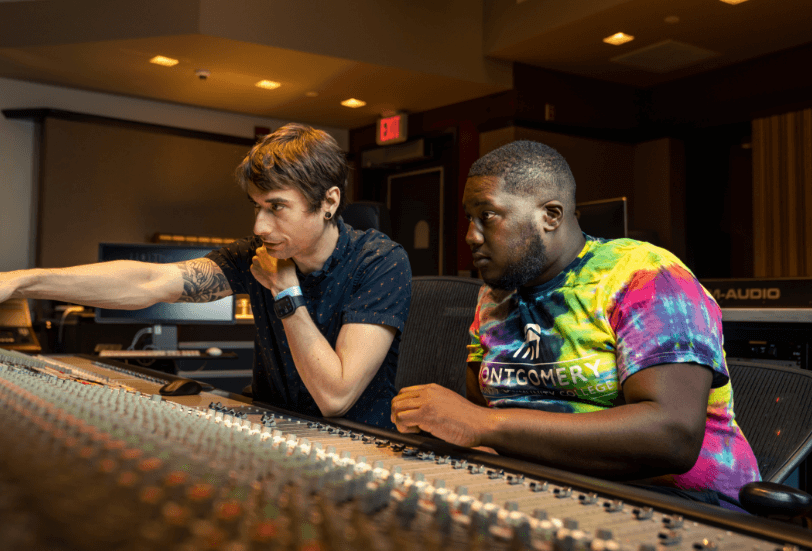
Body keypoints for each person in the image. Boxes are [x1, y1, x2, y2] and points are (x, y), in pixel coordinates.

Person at [390, 140, 760, 508]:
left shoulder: (645, 276)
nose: (471, 235)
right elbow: (484, 415)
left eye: (487, 216)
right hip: (542, 490)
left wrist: (481, 425)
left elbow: (672, 436)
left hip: (679, 504)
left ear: (551, 215)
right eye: (469, 219)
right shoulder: (494, 296)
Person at [0, 123, 411, 429]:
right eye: (256, 207)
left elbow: (335, 397)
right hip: (272, 433)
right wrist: (22, 281)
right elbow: (149, 282)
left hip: (354, 443)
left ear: (329, 202)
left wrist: (286, 290)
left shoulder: (380, 262)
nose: (260, 228)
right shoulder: (258, 254)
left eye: (276, 207)